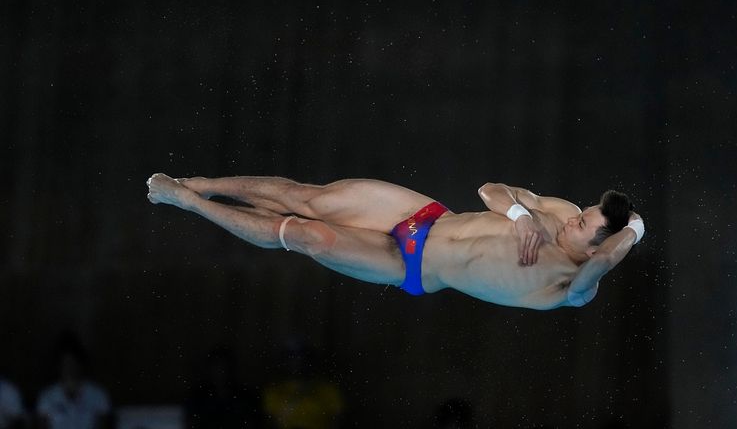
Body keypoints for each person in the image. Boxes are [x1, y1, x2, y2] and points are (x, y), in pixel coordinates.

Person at [146, 174, 644, 310]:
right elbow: (491, 190)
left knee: (303, 234)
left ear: (597, 247)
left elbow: (615, 249)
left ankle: (191, 204)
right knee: (308, 198)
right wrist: (517, 214)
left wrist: (636, 230)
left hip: (407, 266)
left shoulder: (575, 284)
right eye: (581, 212)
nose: (572, 220)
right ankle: (200, 183)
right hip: (420, 215)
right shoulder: (558, 213)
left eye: (583, 226)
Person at [36, 333, 111, 429]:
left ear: (80, 365)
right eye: (65, 363)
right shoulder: (47, 397)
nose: (69, 368)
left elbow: (103, 425)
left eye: (73, 363)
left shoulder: (98, 395)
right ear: (58, 366)